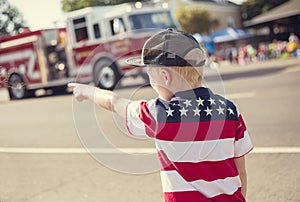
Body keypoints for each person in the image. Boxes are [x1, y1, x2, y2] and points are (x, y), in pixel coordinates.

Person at [68, 28, 253, 202]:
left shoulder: (158, 114)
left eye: (150, 76)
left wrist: (86, 91)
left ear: (165, 77)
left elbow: (113, 102)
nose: (151, 83)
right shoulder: (230, 110)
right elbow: (241, 172)